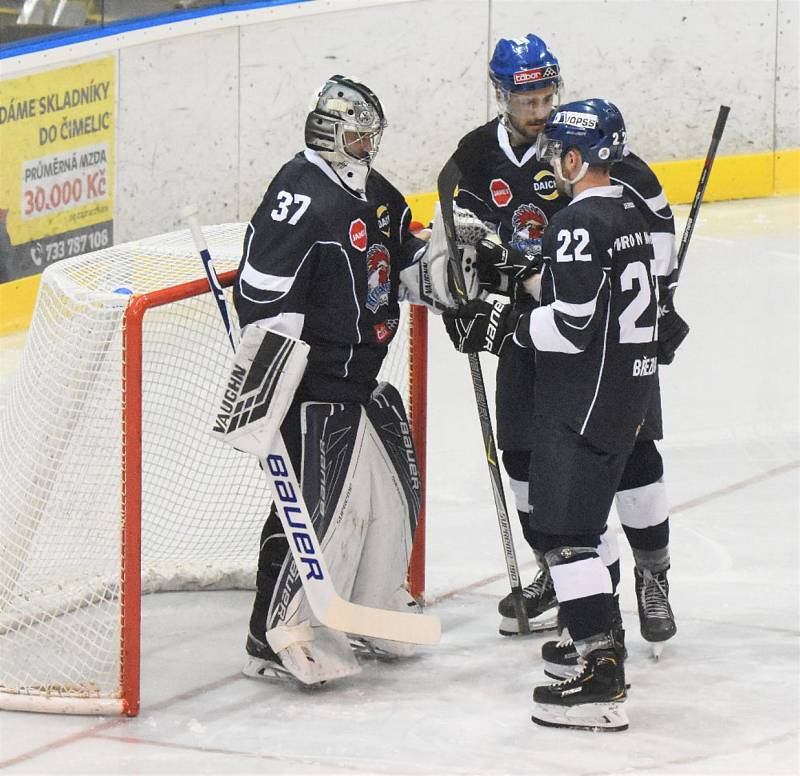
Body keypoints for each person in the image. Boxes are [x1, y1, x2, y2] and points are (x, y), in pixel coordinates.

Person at [443, 35, 685, 662]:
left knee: (630, 451)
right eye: (528, 96)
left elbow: (656, 236)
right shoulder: (472, 159)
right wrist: (464, 302)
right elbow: (459, 246)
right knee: (523, 459)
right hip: (529, 325)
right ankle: (568, 574)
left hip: (599, 336)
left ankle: (651, 576)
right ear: (502, 94)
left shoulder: (591, 148)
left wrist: (659, 305)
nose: (541, 106)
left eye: (548, 92)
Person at [229, 75, 453, 686]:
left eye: (370, 138)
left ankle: (374, 607)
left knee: (394, 500)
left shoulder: (376, 193)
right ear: (328, 133)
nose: (365, 149)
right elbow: (261, 300)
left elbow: (401, 260)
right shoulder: (297, 197)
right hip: (311, 388)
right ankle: (273, 633)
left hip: (364, 380)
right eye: (356, 137)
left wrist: (446, 271)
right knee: (309, 512)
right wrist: (264, 398)